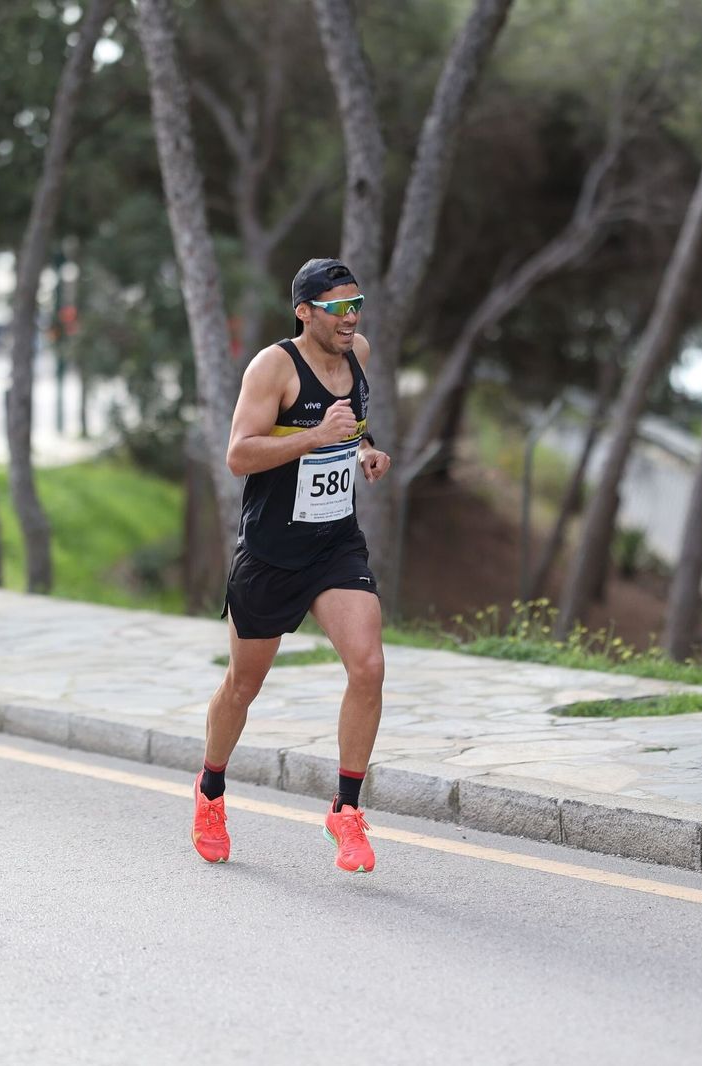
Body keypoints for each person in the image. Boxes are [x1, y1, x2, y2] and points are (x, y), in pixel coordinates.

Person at [191, 258, 393, 873]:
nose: (350, 317)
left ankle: (347, 810)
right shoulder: (273, 367)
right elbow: (238, 456)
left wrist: (365, 449)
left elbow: (350, 424)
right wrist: (311, 438)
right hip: (272, 552)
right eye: (336, 308)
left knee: (369, 664)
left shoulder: (357, 351)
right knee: (243, 686)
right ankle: (210, 790)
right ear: (303, 311)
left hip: (334, 544)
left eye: (355, 304)